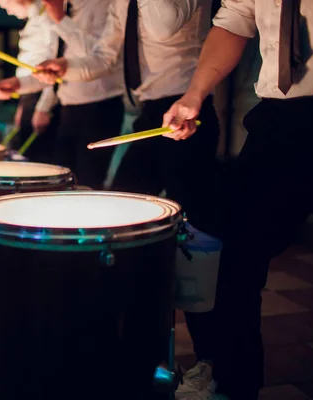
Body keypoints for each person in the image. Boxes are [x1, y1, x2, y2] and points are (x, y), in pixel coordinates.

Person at [33, 2, 220, 396]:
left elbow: (166, 22)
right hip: (151, 112)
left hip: (189, 107)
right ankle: (132, 341)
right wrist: (66, 68)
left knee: (200, 239)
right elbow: (104, 56)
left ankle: (210, 362)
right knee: (122, 220)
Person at [161, 0, 313, 398]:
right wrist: (195, 94)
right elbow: (236, 20)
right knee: (233, 263)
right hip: (279, 118)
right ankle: (232, 386)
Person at [0, 0, 125, 189]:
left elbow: (101, 58)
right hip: (68, 106)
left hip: (100, 105)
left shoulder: (101, 4)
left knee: (87, 185)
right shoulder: (59, 8)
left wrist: (61, 20)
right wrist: (18, 84)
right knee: (60, 183)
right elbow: (52, 69)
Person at [0, 0, 59, 163]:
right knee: (25, 156)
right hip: (29, 94)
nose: (8, 11)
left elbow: (54, 64)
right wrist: (22, 107)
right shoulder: (34, 19)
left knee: (38, 159)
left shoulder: (47, 15)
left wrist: (44, 107)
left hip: (43, 95)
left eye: (6, 4)